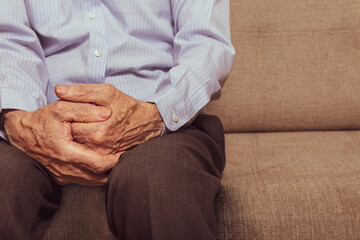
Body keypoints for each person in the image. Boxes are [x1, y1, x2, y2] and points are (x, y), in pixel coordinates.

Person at [0, 0, 235, 239]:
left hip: (164, 121)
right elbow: (8, 41)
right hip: (39, 117)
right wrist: (20, 122)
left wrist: (156, 114)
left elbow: (206, 44)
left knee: (158, 181)